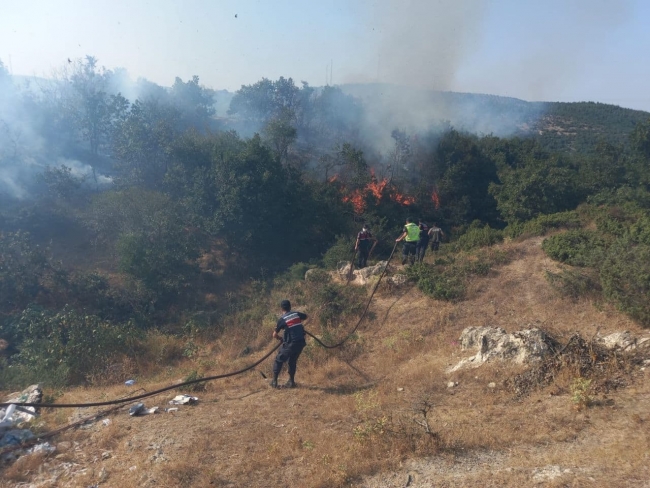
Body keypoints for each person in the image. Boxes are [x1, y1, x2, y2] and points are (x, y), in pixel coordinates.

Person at [271, 300, 308, 388]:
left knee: (279, 359)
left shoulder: (282, 319)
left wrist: (280, 338)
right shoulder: (296, 314)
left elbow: (274, 335)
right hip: (301, 343)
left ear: (281, 309)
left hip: (291, 344)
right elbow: (308, 317)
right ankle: (291, 382)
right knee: (292, 361)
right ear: (290, 307)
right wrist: (302, 326)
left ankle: (274, 381)